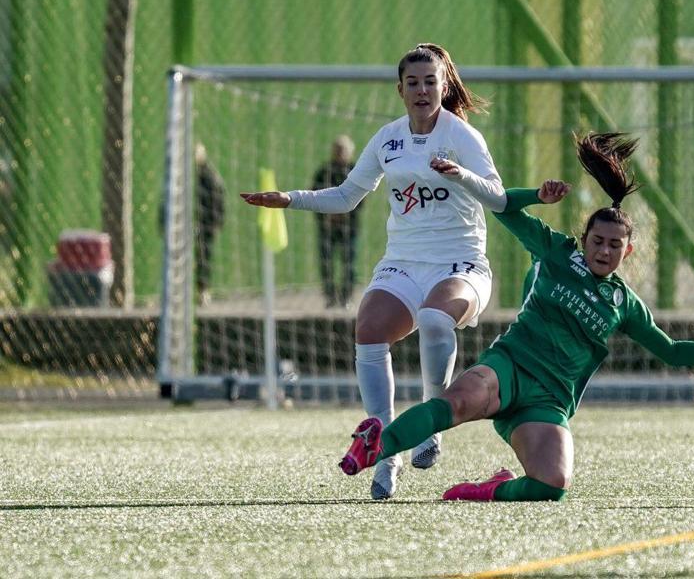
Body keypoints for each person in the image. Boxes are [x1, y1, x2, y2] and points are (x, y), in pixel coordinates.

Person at [337, 132, 694, 502]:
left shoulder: (623, 303)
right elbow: (502, 207)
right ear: (585, 238)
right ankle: (377, 447)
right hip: (509, 367)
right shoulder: (558, 252)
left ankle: (492, 489)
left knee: (552, 486)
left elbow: (670, 351)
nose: (604, 250)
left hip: (548, 400)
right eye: (597, 240)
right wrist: (537, 195)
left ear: (627, 250)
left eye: (614, 245)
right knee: (457, 402)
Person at [241, 43, 506, 499]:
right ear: (400, 89)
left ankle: (430, 423)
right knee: (367, 328)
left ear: (444, 86)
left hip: (460, 261)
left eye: (430, 81)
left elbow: (498, 197)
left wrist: (460, 175)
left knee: (434, 318)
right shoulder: (388, 138)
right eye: (413, 82)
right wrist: (291, 198)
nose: (422, 90)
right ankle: (384, 452)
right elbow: (346, 196)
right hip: (403, 261)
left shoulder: (462, 136)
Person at [312, 135, 360, 307]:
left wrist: (343, 212)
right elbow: (313, 196)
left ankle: (346, 297)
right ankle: (330, 297)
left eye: (344, 149)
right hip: (327, 227)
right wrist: (327, 215)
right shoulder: (323, 172)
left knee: (349, 263)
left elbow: (361, 198)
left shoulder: (356, 172)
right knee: (327, 262)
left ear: (350, 152)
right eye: (337, 149)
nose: (340, 153)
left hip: (349, 227)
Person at [194, 143, 225, 306]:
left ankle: (203, 291)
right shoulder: (191, 176)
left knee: (203, 257)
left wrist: (216, 220)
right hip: (196, 223)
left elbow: (218, 198)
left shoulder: (209, 176)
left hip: (205, 224)